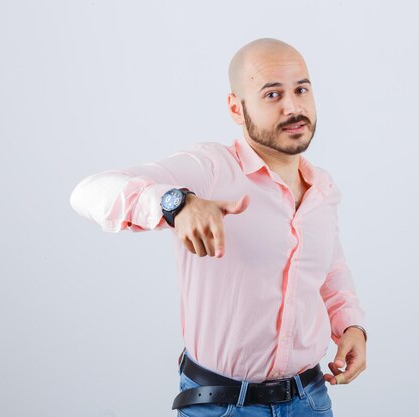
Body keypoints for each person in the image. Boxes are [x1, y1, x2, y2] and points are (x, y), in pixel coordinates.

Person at [70, 38, 367, 416]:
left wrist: (351, 327)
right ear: (236, 108)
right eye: (272, 94)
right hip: (222, 405)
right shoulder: (210, 169)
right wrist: (176, 203)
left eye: (301, 89)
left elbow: (330, 271)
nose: (293, 106)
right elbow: (87, 192)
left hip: (310, 399)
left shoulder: (322, 188)